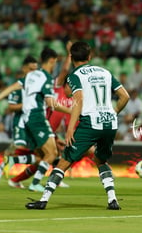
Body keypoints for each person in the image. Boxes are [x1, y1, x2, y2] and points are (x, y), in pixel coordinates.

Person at [25, 41, 130, 210]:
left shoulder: (75, 76)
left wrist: (70, 129)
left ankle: (43, 200)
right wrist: (113, 112)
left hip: (90, 123)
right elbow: (125, 97)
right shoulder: (105, 72)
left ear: (72, 57)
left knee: (64, 161)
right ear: (90, 56)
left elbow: (78, 100)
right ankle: (112, 200)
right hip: (110, 123)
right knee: (101, 159)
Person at [0, 48, 70, 192]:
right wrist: (71, 111)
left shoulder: (30, 76)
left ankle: (11, 162)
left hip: (28, 119)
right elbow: (50, 103)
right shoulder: (46, 77)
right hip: (37, 118)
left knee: (40, 157)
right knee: (52, 154)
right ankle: (35, 183)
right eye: (55, 62)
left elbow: (13, 86)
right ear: (52, 61)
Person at [0, 55, 38, 187]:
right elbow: (11, 107)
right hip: (21, 122)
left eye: (36, 69)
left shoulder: (39, 86)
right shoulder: (18, 86)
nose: (34, 72)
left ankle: (6, 168)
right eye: (31, 69)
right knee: (28, 150)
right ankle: (3, 168)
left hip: (35, 122)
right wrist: (27, 105)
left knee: (41, 155)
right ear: (24, 69)